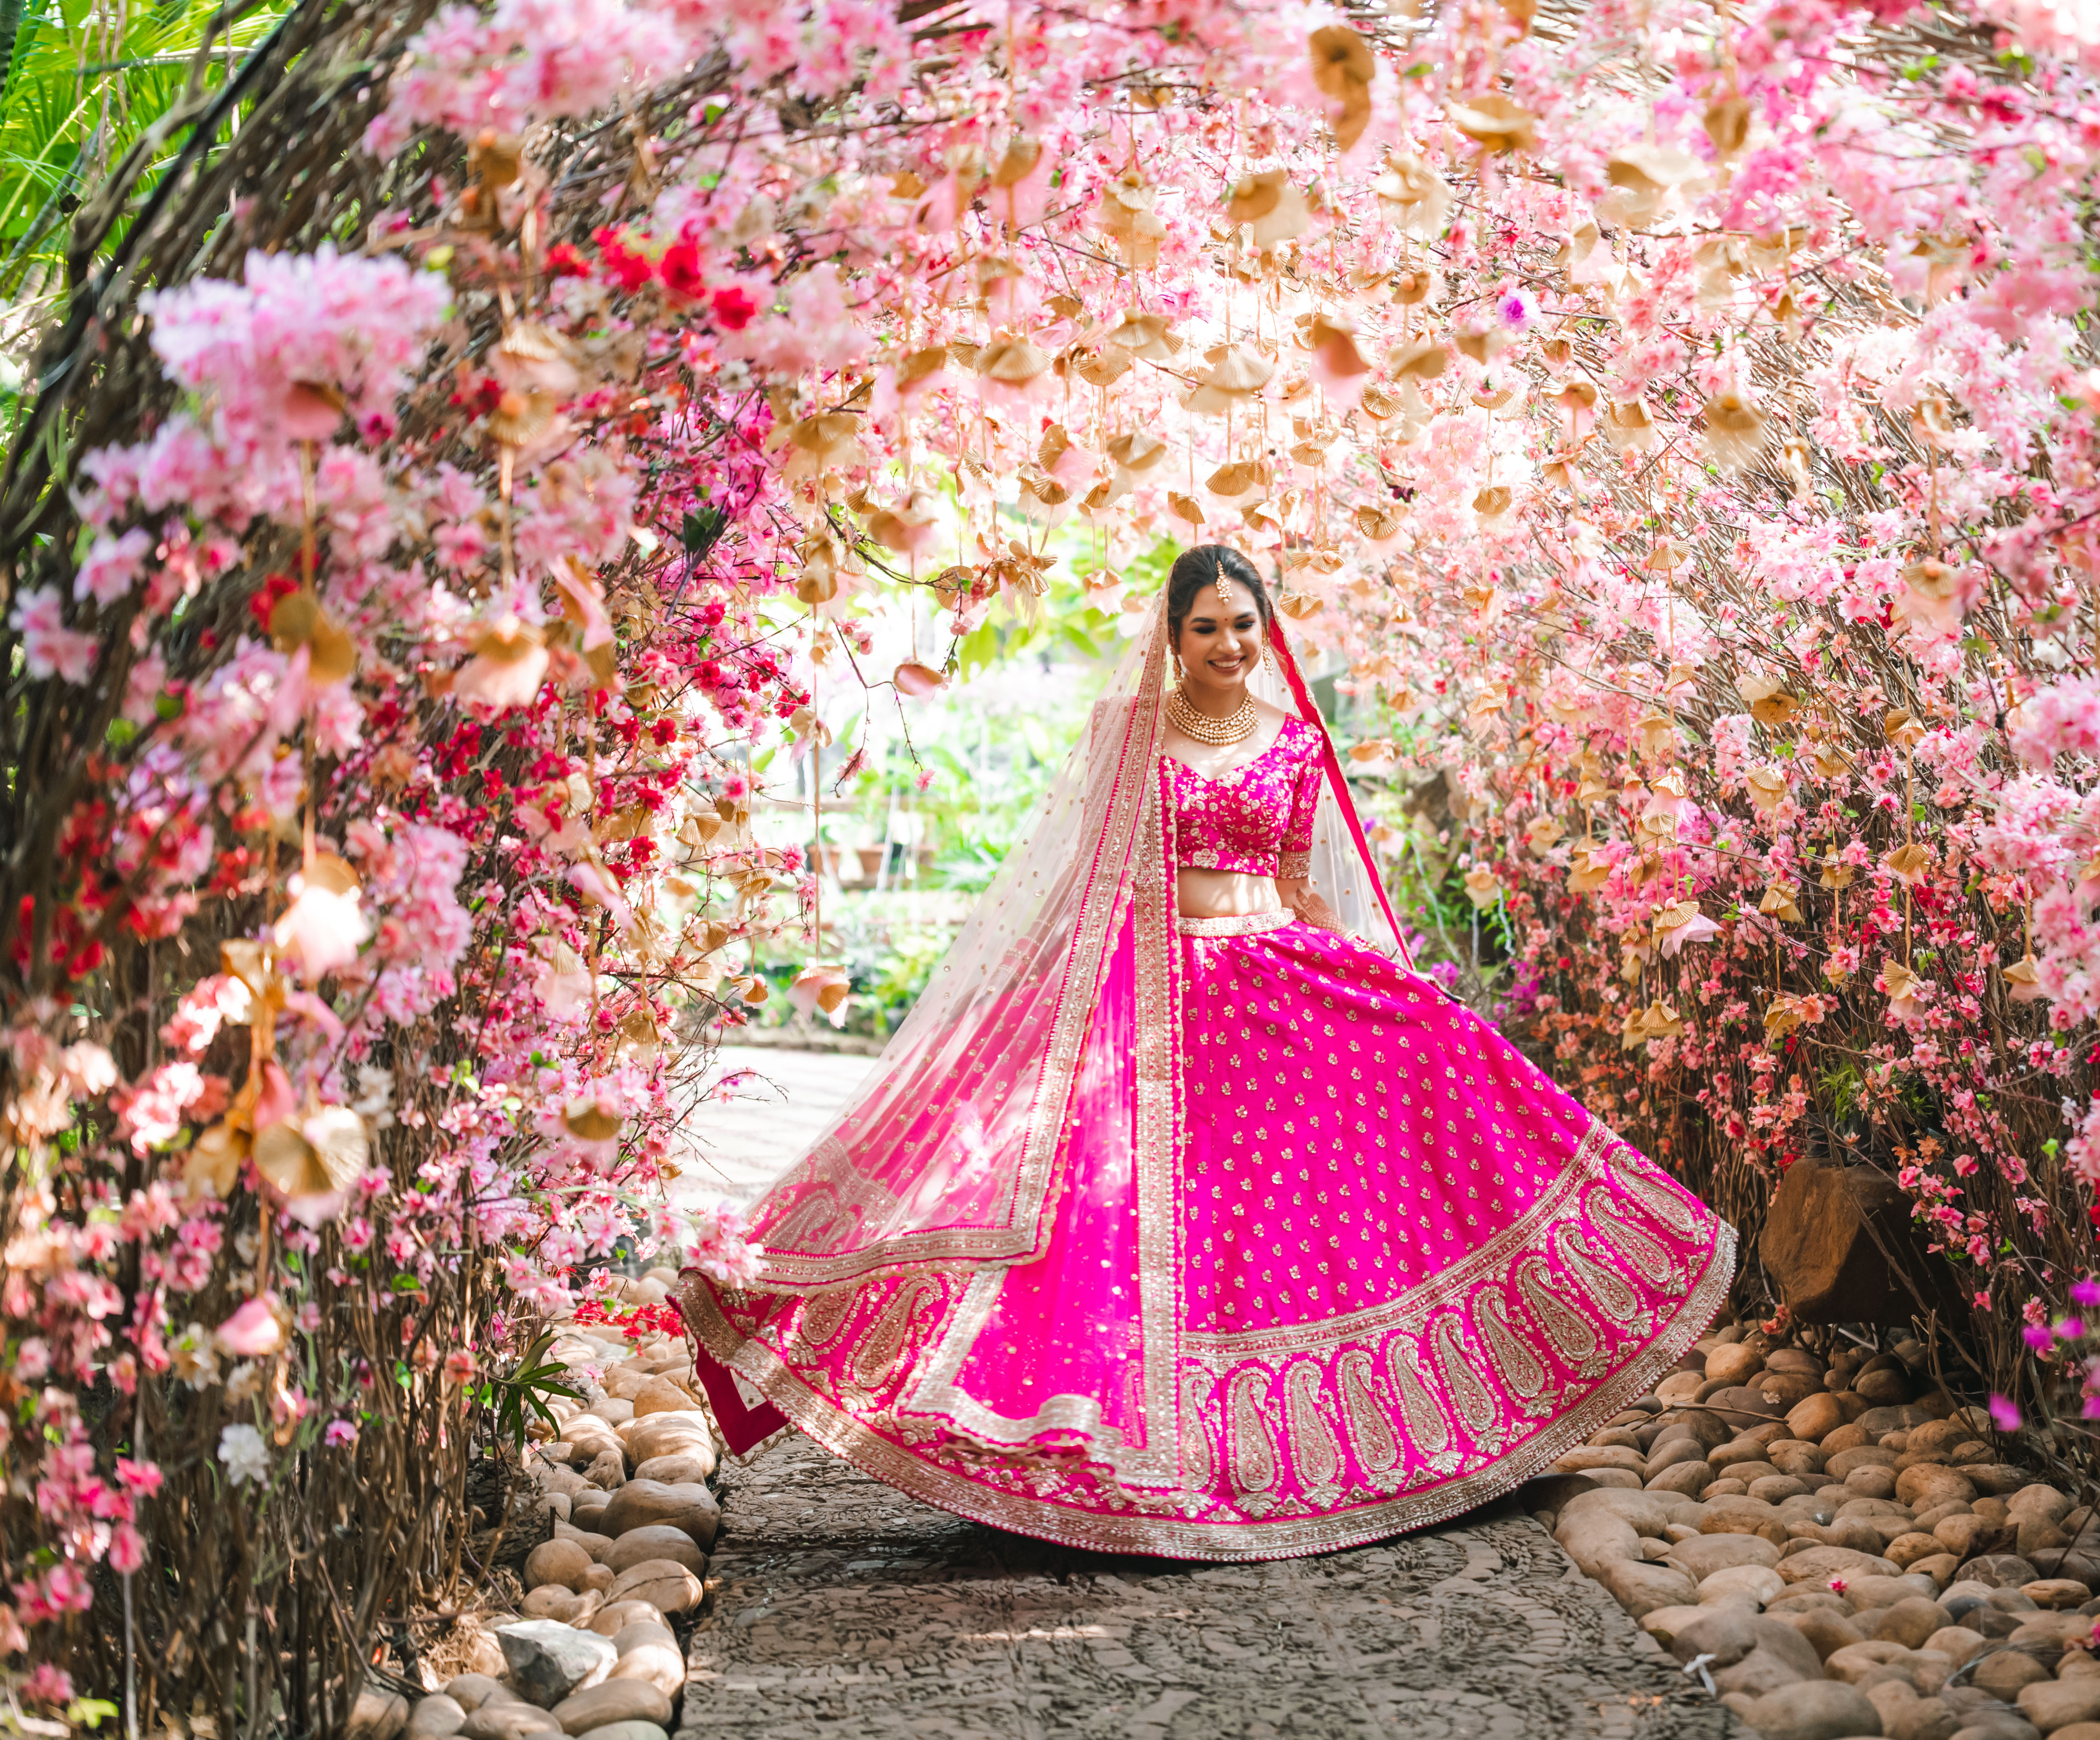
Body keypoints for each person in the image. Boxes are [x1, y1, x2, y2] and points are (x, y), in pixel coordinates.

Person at [680, 543, 1732, 1559]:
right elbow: (1080, 870)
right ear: (1172, 636)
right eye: (1206, 626)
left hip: (1272, 985)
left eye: (1243, 622)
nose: (1230, 641)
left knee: (1280, 1208)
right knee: (1124, 1215)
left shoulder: (1295, 740)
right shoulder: (1126, 729)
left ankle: (1276, 1449)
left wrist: (1371, 970)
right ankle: (1092, 1438)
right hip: (1153, 994)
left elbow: (1293, 879)